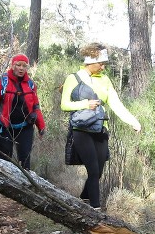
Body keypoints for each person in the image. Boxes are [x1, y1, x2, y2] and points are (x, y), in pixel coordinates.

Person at [60, 43, 142, 211]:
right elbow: (64, 104)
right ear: (90, 60)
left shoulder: (105, 80)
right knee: (93, 169)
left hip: (100, 130)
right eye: (101, 63)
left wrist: (133, 121)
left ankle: (84, 198)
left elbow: (116, 104)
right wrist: (85, 104)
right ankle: (96, 210)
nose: (103, 66)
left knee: (99, 170)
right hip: (81, 130)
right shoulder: (73, 78)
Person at [0, 54, 46, 174]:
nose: (21, 68)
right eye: (18, 65)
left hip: (25, 127)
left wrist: (41, 127)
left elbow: (36, 107)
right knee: (2, 159)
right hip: (4, 127)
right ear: (13, 66)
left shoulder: (31, 84)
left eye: (24, 66)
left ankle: (24, 187)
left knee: (25, 160)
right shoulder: (3, 81)